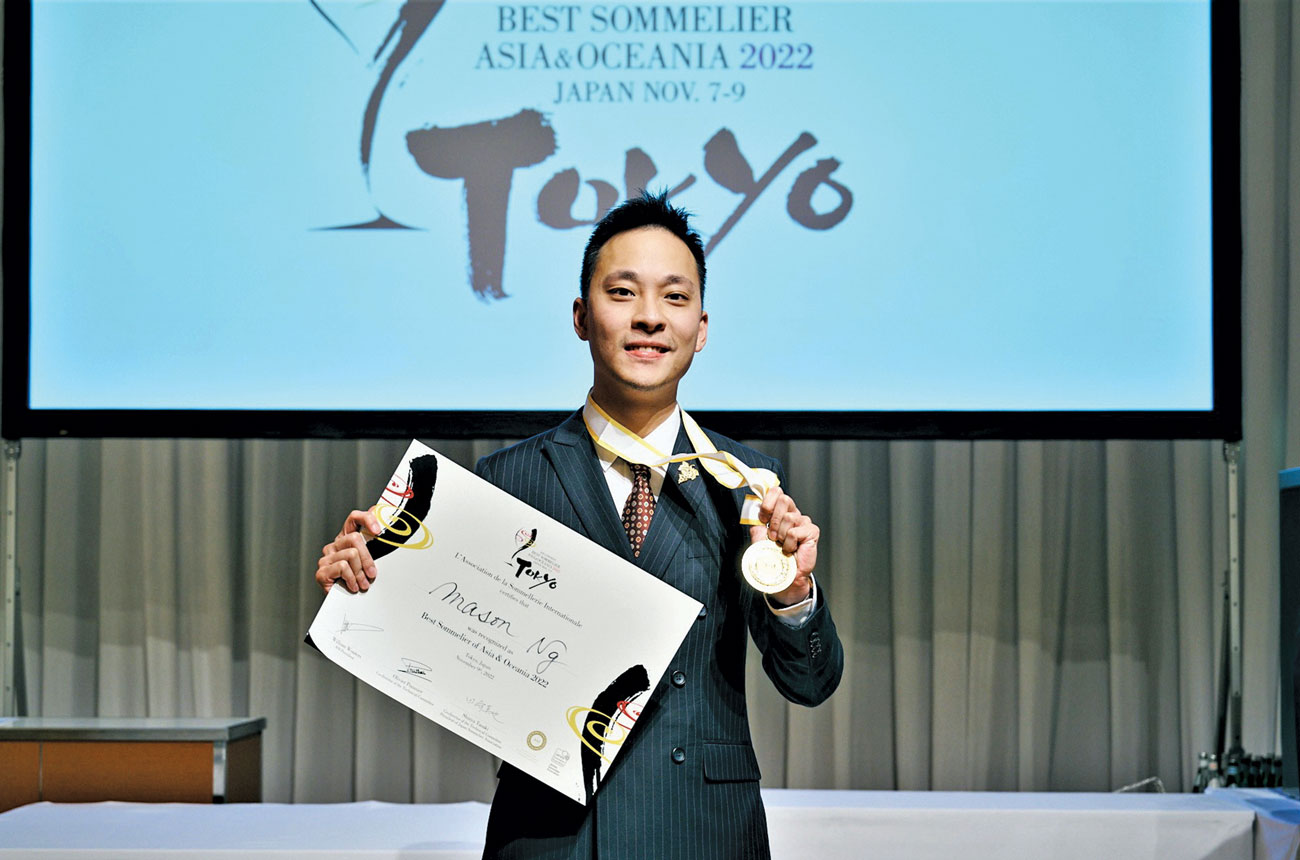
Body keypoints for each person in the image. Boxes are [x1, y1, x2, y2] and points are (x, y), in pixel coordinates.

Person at [315, 191, 844, 859]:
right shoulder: (506, 480)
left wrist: (794, 595)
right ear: (580, 317)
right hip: (552, 837)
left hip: (702, 831)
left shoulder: (748, 482)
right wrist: (366, 580)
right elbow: (439, 640)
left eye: (675, 299)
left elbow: (811, 683)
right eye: (622, 292)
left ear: (702, 328)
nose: (650, 317)